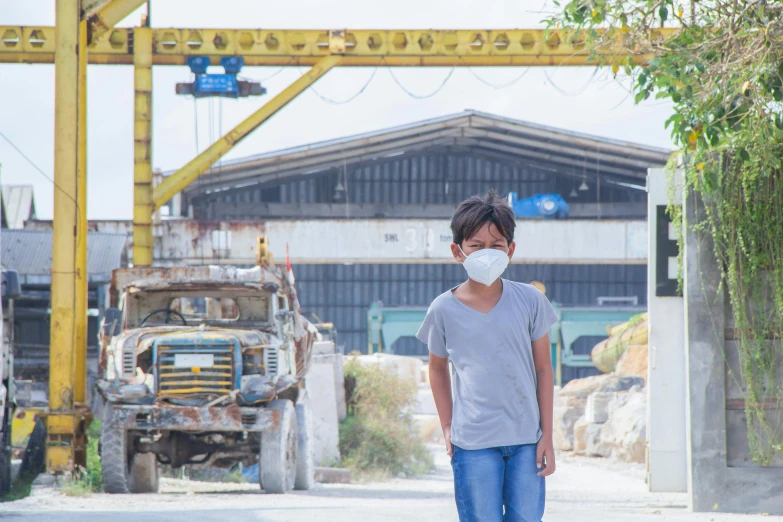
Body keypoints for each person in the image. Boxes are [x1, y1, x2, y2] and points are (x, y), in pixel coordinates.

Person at [416, 190, 558, 522]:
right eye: (476, 246)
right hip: (473, 445)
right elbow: (436, 369)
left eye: (496, 246)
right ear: (457, 251)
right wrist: (448, 426)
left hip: (526, 441)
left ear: (510, 249)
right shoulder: (442, 310)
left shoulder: (530, 301)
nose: (487, 254)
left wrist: (547, 436)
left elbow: (544, 369)